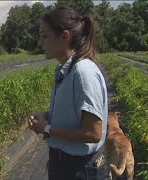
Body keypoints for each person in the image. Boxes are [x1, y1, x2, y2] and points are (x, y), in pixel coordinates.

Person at [27, 6, 108, 180]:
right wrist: (47, 115)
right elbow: (75, 113)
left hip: (79, 168)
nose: (40, 43)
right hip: (65, 164)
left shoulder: (83, 72)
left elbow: (93, 133)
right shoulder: (66, 70)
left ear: (65, 36)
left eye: (45, 36)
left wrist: (47, 129)